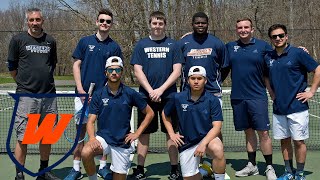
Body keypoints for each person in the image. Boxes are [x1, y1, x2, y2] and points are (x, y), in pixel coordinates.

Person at [64, 8, 123, 180]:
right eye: (102, 20)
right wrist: (81, 90)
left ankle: (103, 167)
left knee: (103, 132)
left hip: (104, 96)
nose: (105, 23)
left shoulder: (114, 47)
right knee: (80, 133)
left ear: (111, 25)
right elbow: (76, 66)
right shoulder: (84, 42)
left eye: (108, 21)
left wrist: (105, 92)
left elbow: (115, 72)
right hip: (82, 96)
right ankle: (76, 168)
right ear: (97, 22)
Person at [81, 56, 154, 180]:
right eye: (110, 70)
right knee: (86, 152)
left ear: (121, 72)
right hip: (103, 139)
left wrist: (137, 133)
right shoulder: (98, 94)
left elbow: (150, 113)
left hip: (122, 142)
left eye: (117, 70)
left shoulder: (130, 93)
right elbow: (91, 121)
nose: (114, 73)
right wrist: (92, 138)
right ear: (106, 73)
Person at [7, 8, 60, 180]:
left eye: (38, 20)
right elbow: (12, 68)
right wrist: (25, 85)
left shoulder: (50, 41)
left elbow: (51, 65)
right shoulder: (17, 40)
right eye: (31, 20)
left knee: (47, 136)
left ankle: (43, 171)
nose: (35, 23)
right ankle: (19, 174)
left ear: (43, 21)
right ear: (27, 21)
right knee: (24, 138)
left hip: (49, 96)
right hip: (27, 96)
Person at [130, 11, 183, 179]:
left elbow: (177, 71)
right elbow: (137, 71)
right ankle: (139, 169)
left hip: (169, 97)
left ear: (165, 25)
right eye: (154, 23)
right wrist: (151, 91)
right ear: (150, 24)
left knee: (171, 133)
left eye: (160, 23)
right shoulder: (141, 45)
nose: (157, 26)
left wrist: (160, 90)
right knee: (144, 133)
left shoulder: (173, 45)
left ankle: (174, 168)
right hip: (146, 97)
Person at [223, 18, 277, 179]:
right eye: (240, 27)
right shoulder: (230, 47)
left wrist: (300, 50)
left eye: (246, 27)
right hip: (238, 98)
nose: (243, 30)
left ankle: (269, 167)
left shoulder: (263, 47)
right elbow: (217, 60)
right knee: (248, 132)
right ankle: (252, 165)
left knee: (264, 133)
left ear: (252, 29)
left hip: (257, 97)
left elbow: (279, 57)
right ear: (236, 29)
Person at [265, 24, 320, 180]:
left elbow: (318, 69)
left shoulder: (298, 53)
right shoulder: (268, 57)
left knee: (299, 142)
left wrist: (311, 91)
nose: (278, 38)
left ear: (287, 36)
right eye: (274, 36)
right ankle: (289, 172)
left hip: (297, 108)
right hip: (278, 108)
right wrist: (271, 92)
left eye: (281, 35)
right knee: (284, 141)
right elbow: (266, 76)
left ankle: (300, 174)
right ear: (271, 39)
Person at [162, 66, 226, 180]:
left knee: (217, 148)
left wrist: (203, 144)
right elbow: (165, 114)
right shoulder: (177, 97)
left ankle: (219, 178)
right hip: (187, 142)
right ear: (187, 80)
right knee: (189, 178)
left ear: (205, 80)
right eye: (193, 78)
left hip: (207, 138)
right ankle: (204, 171)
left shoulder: (213, 100)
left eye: (199, 78)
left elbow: (217, 127)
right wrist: (171, 134)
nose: (196, 81)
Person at [178, 12, 227, 104]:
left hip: (212, 92)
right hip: (188, 92)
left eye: (203, 23)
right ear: (192, 24)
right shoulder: (182, 43)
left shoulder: (217, 43)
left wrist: (213, 80)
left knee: (214, 119)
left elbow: (224, 67)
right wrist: (187, 79)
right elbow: (177, 67)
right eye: (197, 23)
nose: (200, 25)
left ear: (208, 24)